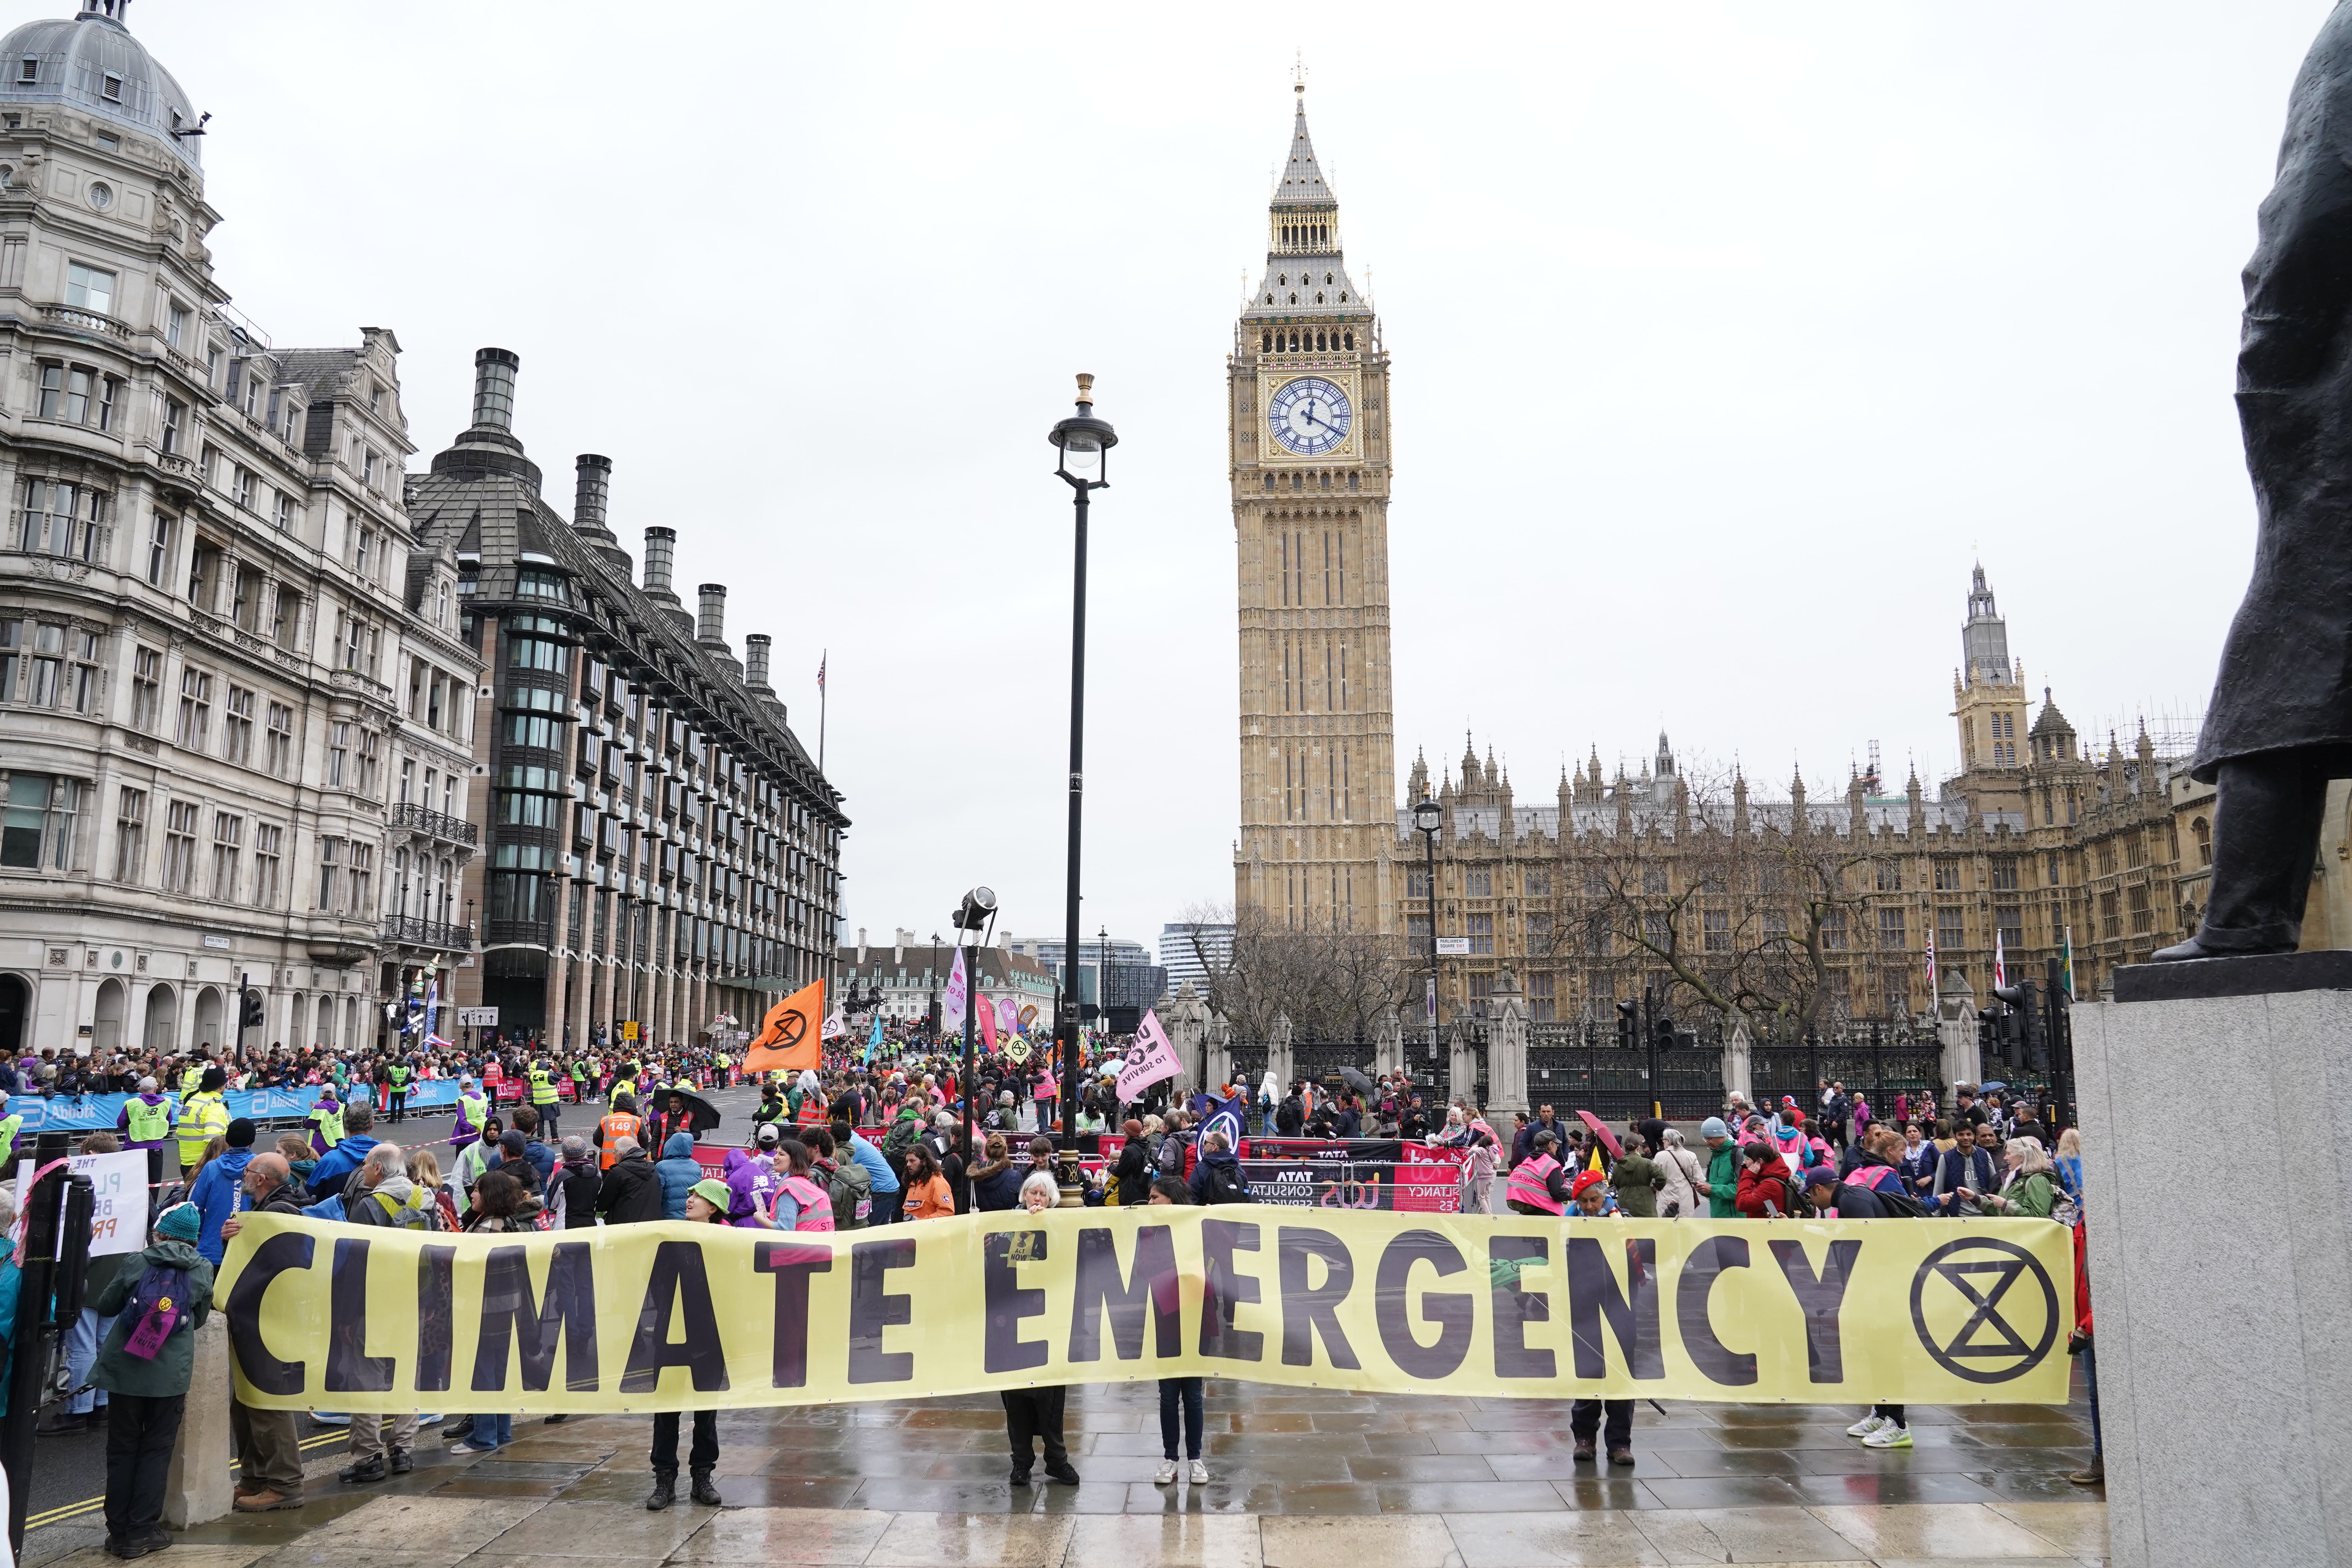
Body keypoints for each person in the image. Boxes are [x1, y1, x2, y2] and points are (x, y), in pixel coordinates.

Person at [92, 1202, 212, 1559]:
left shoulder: (137, 1261)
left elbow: (107, 1305)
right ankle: (141, 1534)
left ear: (159, 1233)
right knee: (156, 1451)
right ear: (192, 1240)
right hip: (169, 1375)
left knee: (122, 1448)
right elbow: (201, 1318)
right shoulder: (202, 1268)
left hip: (126, 1369)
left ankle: (117, 1532)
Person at [218, 1155, 307, 1511]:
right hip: (255, 1317)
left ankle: (285, 1485)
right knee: (244, 1403)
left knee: (269, 1403)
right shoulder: (268, 1207)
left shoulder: (282, 1212)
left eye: (248, 1173)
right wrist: (233, 1241)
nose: (244, 1177)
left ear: (262, 1179)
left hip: (272, 1321)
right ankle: (254, 1478)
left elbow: (281, 1266)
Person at [646, 1178, 733, 1511]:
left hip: (709, 1340)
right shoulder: (671, 1237)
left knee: (706, 1414)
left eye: (698, 1196)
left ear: (713, 1208)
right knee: (666, 1411)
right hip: (670, 1338)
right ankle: (664, 1478)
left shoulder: (727, 1242)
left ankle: (702, 1477)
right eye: (690, 1194)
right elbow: (655, 1282)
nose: (690, 1199)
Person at [999, 1171, 1080, 1487]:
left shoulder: (1055, 1225)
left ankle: (1056, 1459)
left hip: (1046, 1322)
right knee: (1017, 1399)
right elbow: (1014, 1265)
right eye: (1033, 1193)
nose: (1037, 1199)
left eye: (1043, 1195)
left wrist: (1042, 1226)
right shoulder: (1010, 1224)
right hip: (1013, 1324)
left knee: (1050, 1400)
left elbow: (1062, 1262)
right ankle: (1021, 1461)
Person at [190, 1117, 257, 1265]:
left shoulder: (211, 1167)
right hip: (249, 1250)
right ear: (252, 1142)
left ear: (227, 1141)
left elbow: (195, 1209)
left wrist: (207, 1231)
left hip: (212, 1248)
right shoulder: (260, 1166)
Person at [1973, 1134, 2058, 1218]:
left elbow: (2039, 1216)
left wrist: (2005, 1206)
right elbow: (2000, 1213)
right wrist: (1976, 1199)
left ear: (2022, 1157)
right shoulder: (2012, 1179)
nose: (2005, 1158)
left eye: (2009, 1154)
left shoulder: (2038, 1181)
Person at [309, 1102, 380, 1195]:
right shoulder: (389, 1157)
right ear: (372, 1125)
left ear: (345, 1125)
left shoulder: (329, 1160)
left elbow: (309, 1194)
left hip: (336, 1208)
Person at [768, 1140, 835, 1231]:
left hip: (802, 1244)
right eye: (776, 1153)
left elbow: (785, 1229)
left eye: (781, 1154)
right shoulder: (804, 1182)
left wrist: (760, 1219)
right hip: (821, 1243)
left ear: (794, 1160)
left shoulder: (788, 1188)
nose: (775, 1157)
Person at [595, 1137, 664, 1224]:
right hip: (653, 1225)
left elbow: (602, 1205)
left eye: (614, 1153)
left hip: (626, 1227)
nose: (613, 1157)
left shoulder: (618, 1173)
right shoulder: (653, 1170)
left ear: (621, 1155)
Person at [176, 1067, 230, 1176]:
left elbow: (179, 1133)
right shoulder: (213, 1106)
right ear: (220, 1087)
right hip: (203, 1164)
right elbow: (213, 1141)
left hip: (187, 1162)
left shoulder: (194, 1100)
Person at [1505, 1129, 1572, 1215]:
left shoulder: (1528, 1161)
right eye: (1556, 1144)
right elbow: (1558, 1194)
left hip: (1527, 1209)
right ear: (1551, 1145)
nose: (1557, 1147)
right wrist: (1572, 1192)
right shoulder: (1551, 1164)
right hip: (1548, 1212)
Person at [547, 1135, 602, 1229]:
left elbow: (552, 1204)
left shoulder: (563, 1175)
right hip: (591, 1225)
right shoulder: (597, 1174)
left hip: (566, 1226)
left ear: (564, 1155)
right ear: (585, 1153)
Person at [115, 1077, 175, 1161]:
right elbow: (168, 1122)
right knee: (154, 1175)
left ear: (139, 1089)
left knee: (133, 1174)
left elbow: (121, 1124)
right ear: (156, 1089)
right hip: (155, 1146)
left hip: (133, 1146)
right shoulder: (165, 1103)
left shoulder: (132, 1104)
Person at [1187, 1129, 1252, 1205]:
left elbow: (1191, 1198)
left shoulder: (1201, 1167)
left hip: (1208, 1216)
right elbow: (1248, 1197)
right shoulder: (1238, 1167)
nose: (1203, 1145)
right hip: (1234, 1215)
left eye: (1206, 1142)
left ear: (1214, 1147)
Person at [1735, 1142, 1793, 1218]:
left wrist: (1748, 1176)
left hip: (1765, 1228)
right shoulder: (1766, 1176)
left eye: (1747, 1159)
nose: (1744, 1162)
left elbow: (1742, 1204)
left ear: (1759, 1161)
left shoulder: (1771, 1185)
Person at [1609, 1136, 1664, 1218]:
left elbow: (1616, 1183)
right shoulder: (1647, 1163)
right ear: (1638, 1148)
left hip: (1624, 1202)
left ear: (1625, 1149)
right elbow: (1662, 1177)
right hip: (1645, 1203)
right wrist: (1655, 1188)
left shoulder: (1617, 1166)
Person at [969, 1134, 1025, 1213]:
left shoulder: (974, 1174)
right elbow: (1021, 1205)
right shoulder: (1016, 1177)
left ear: (986, 1151)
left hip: (981, 1223)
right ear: (1006, 1151)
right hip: (1007, 1223)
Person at [902, 1142, 955, 1220]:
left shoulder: (937, 1182)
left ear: (924, 1162)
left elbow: (948, 1212)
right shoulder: (912, 1183)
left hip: (930, 1231)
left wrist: (922, 1221)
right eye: (907, 1161)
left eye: (912, 1161)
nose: (908, 1165)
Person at [655, 1132, 701, 1220]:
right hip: (690, 1216)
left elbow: (658, 1194)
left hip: (668, 1216)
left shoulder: (662, 1166)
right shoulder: (696, 1166)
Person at [595, 1093, 642, 1172]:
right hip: (633, 1163)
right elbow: (644, 1141)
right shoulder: (636, 1120)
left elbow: (597, 1140)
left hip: (609, 1162)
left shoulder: (606, 1120)